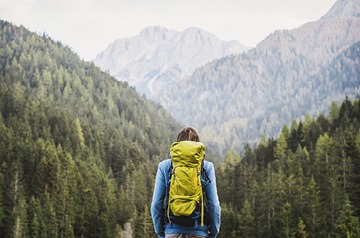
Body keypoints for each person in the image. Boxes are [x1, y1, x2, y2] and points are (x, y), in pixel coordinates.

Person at [151, 126, 221, 238]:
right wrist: (213, 232)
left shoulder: (165, 166)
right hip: (199, 232)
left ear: (178, 144)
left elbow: (156, 204)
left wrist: (161, 232)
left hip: (172, 231)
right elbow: (214, 204)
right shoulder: (206, 167)